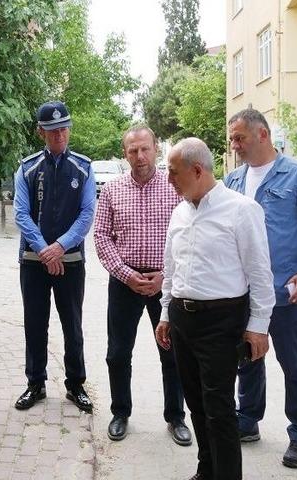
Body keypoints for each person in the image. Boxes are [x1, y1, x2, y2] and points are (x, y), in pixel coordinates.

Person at [155, 138, 275, 480]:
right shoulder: (179, 211)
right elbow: (171, 269)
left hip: (221, 323)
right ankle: (207, 470)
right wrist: (165, 313)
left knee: (219, 409)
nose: (169, 181)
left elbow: (259, 273)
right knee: (195, 403)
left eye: (174, 173)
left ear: (197, 170)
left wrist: (259, 325)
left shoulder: (241, 209)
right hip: (182, 320)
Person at [223, 108, 297, 468]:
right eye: (232, 139)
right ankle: (248, 419)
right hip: (244, 293)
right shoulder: (233, 181)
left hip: (285, 294)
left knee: (294, 364)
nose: (234, 145)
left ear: (262, 135)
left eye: (239, 138)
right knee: (248, 358)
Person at [93, 125, 191, 445]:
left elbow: (189, 235)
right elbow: (101, 237)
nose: (140, 156)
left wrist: (165, 275)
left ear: (156, 148)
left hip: (167, 281)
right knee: (118, 353)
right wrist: (125, 274)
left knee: (172, 352)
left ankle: (176, 417)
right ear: (125, 154)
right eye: (133, 150)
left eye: (145, 148)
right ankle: (120, 412)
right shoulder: (111, 190)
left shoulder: (175, 188)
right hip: (125, 281)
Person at [13, 100, 97, 413]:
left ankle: (76, 385)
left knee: (72, 324)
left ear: (69, 128)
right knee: (35, 323)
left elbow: (87, 214)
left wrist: (60, 247)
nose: (59, 135)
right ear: (41, 133)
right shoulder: (26, 168)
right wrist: (45, 250)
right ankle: (35, 383)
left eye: (63, 128)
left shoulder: (84, 167)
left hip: (71, 262)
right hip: (34, 263)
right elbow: (21, 213)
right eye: (52, 131)